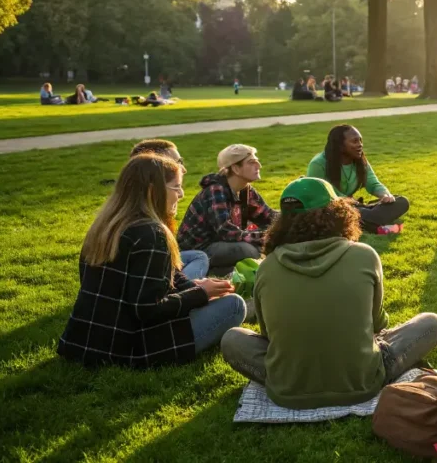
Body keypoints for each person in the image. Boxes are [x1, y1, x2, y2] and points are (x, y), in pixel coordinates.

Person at [220, 177, 437, 408]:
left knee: (231, 340)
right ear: (338, 213)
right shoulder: (364, 256)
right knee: (431, 323)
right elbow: (377, 324)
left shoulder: (267, 266)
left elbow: (269, 335)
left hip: (289, 387)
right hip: (363, 382)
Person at [57, 154, 245, 368]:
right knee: (234, 306)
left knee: (197, 264)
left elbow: (134, 289)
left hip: (84, 340)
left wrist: (193, 287)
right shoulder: (151, 233)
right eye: (176, 188)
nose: (181, 195)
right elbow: (147, 310)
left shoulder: (105, 225)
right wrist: (200, 294)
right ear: (151, 190)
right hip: (127, 347)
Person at [177, 144, 277, 275]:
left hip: (221, 244)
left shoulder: (245, 190)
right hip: (198, 251)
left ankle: (225, 271)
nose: (259, 166)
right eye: (252, 162)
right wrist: (263, 237)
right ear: (236, 168)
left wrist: (294, 216)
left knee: (259, 245)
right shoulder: (215, 190)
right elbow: (226, 231)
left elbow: (268, 216)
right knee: (249, 251)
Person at [125, 139, 208, 280]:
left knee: (199, 257)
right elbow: (154, 294)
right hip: (154, 296)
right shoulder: (148, 232)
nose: (184, 169)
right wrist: (198, 292)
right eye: (177, 162)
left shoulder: (128, 208)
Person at [306, 125, 410, 233]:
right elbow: (320, 196)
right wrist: (353, 205)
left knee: (402, 201)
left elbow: (373, 183)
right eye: (355, 141)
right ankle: (374, 224)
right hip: (328, 209)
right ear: (340, 145)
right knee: (346, 214)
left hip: (353, 206)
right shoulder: (318, 164)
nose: (360, 145)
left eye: (360, 141)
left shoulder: (359, 160)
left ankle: (366, 219)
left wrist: (385, 195)